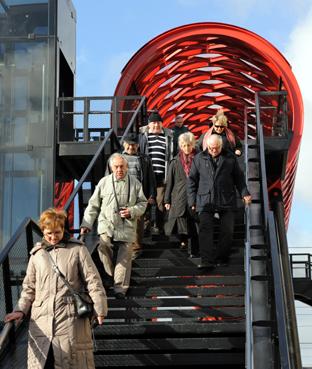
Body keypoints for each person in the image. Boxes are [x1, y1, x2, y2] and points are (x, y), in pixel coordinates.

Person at [4, 208, 107, 369]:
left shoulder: (77, 249)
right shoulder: (37, 255)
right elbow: (29, 288)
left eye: (57, 232)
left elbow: (93, 281)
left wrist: (100, 309)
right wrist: (20, 310)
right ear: (43, 231)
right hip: (41, 321)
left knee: (70, 362)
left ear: (63, 229)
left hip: (70, 319)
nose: (53, 237)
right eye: (48, 233)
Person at [80, 153, 147, 299]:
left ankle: (120, 289)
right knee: (103, 246)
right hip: (107, 224)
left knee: (125, 254)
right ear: (111, 168)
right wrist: (86, 223)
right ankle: (110, 277)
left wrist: (132, 211)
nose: (119, 169)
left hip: (127, 225)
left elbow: (143, 203)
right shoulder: (104, 182)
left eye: (122, 166)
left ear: (126, 167)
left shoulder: (135, 183)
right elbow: (93, 205)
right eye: (116, 167)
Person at [188, 134, 251, 270]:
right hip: (205, 200)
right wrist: (192, 200)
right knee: (205, 229)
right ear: (207, 146)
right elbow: (192, 181)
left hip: (226, 198)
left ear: (221, 146)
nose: (213, 151)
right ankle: (206, 261)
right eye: (211, 148)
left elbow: (239, 178)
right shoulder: (198, 158)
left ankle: (222, 258)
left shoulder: (230, 158)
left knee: (227, 230)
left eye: (216, 148)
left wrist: (244, 193)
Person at [109, 132, 156, 259]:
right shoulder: (116, 158)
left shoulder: (145, 159)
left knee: (138, 222)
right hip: (120, 194)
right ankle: (122, 249)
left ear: (138, 145)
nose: (131, 147)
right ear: (124, 144)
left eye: (134, 145)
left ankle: (136, 249)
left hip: (138, 195)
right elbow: (108, 177)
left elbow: (151, 179)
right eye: (129, 145)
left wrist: (151, 195)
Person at [164, 132, 199, 257]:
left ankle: (193, 249)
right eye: (184, 145)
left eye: (189, 145)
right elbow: (169, 182)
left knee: (194, 222)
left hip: (196, 195)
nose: (186, 148)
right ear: (180, 146)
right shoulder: (175, 161)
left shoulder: (199, 158)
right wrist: (167, 200)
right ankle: (184, 243)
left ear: (193, 144)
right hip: (179, 196)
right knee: (181, 221)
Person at [138, 112, 174, 234]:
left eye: (158, 122)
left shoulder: (168, 137)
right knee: (145, 200)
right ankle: (145, 226)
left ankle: (158, 226)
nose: (156, 125)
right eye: (153, 123)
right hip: (147, 176)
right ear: (149, 125)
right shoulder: (143, 137)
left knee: (160, 202)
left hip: (161, 175)